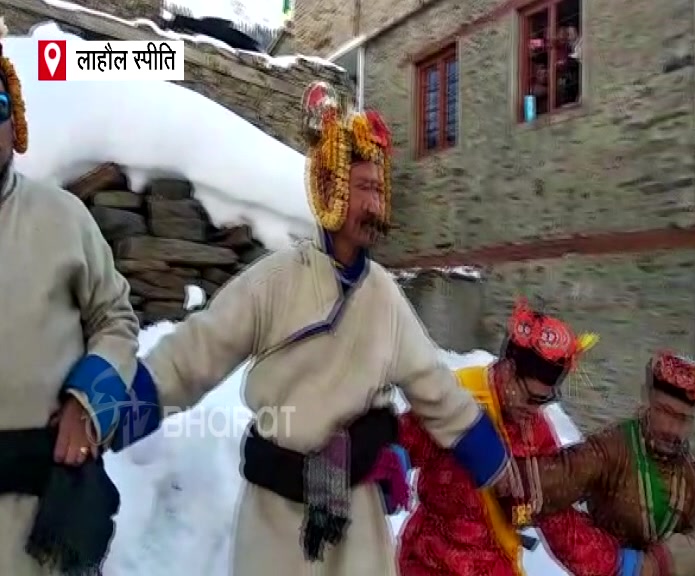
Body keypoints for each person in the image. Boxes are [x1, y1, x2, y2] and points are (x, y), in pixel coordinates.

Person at [113, 81, 509, 576]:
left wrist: (498, 467)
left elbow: (435, 388)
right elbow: (198, 350)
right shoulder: (277, 280)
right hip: (276, 510)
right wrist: (111, 415)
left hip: (356, 510)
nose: (376, 204)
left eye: (380, 190)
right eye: (364, 188)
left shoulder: (384, 296)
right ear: (330, 192)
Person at [0, 17, 139, 575]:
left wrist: (89, 404)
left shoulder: (63, 218)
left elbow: (116, 319)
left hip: (46, 515)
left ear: (15, 120)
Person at [397, 298, 600, 575]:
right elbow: (393, 448)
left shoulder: (536, 432)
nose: (536, 410)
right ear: (507, 369)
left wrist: (619, 566)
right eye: (531, 398)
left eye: (546, 401)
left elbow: (557, 516)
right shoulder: (456, 398)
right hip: (431, 563)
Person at [499, 351, 695, 576]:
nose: (671, 428)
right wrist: (609, 559)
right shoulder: (611, 448)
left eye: (682, 419)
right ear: (648, 399)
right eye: (664, 411)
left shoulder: (688, 469)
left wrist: (667, 563)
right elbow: (546, 485)